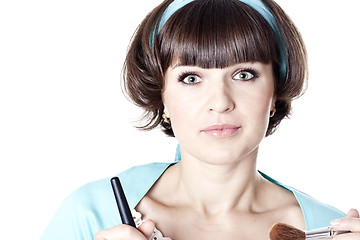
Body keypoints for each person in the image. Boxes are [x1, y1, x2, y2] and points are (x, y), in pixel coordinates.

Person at [40, 0, 360, 239]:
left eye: (244, 74)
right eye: (191, 78)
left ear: (275, 94)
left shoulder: (328, 228)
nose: (220, 102)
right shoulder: (91, 214)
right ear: (162, 96)